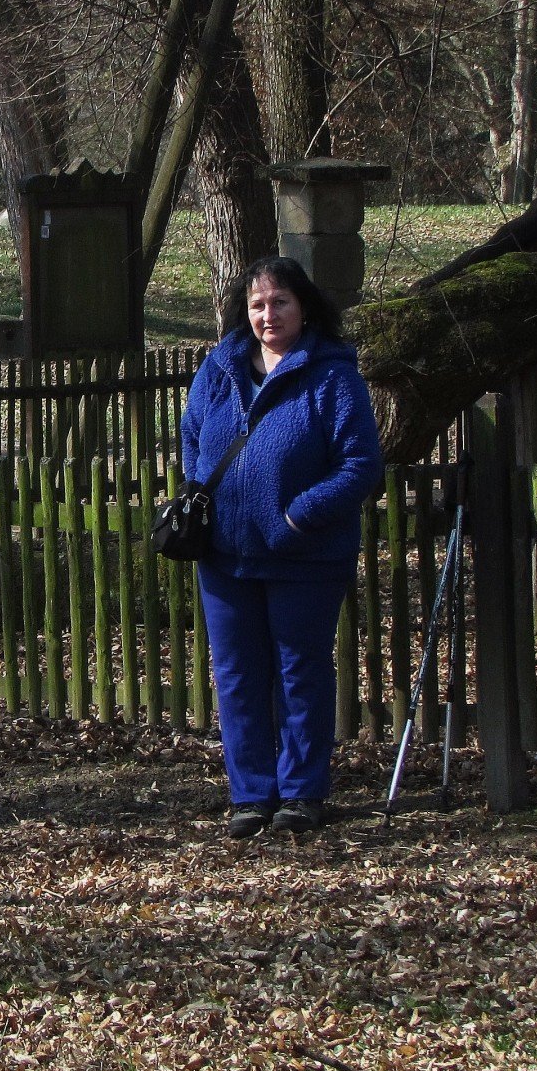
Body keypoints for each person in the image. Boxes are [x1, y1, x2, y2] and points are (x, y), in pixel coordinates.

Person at [179, 256, 382, 837]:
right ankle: (251, 795)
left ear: (304, 306)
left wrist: (299, 517)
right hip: (224, 555)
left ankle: (301, 792)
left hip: (304, 557)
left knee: (300, 674)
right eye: (257, 305)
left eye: (280, 302)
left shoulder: (331, 374)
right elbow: (193, 435)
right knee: (238, 676)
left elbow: (360, 463)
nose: (269, 315)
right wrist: (202, 495)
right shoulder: (218, 368)